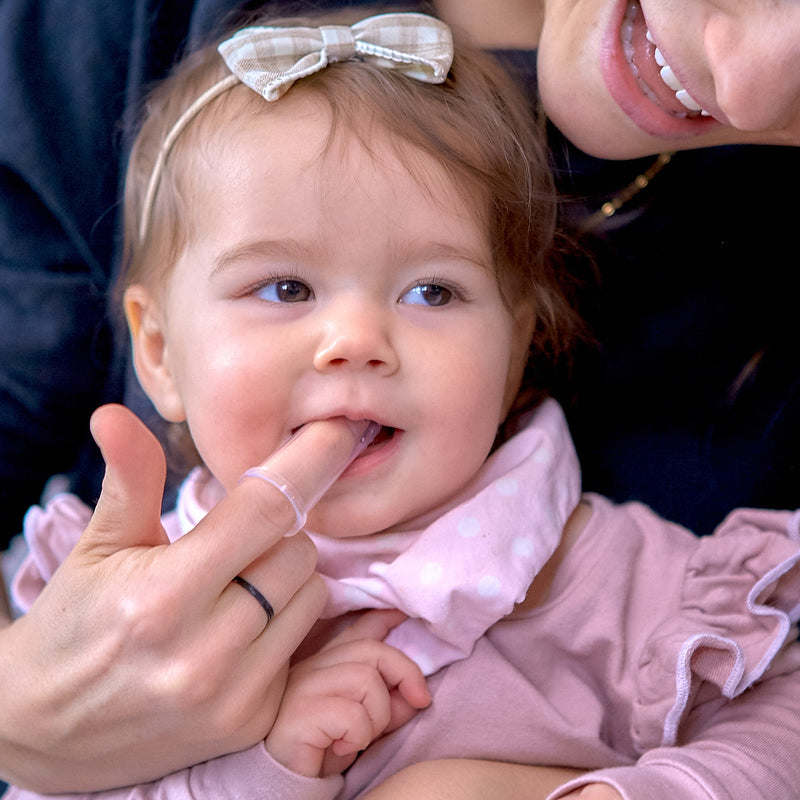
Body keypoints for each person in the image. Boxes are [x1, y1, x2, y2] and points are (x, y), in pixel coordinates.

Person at [2, 0, 800, 791]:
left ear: (516, 345)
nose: (355, 339)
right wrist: (267, 772)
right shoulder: (102, 596)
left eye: (431, 293)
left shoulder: (608, 580)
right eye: (284, 286)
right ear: (160, 352)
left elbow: (782, 718)